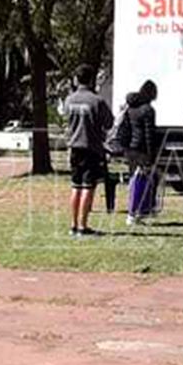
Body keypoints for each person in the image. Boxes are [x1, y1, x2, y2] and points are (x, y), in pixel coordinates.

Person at [64, 65, 113, 237]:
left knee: (75, 186)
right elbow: (109, 123)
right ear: (91, 79)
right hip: (91, 148)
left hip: (74, 148)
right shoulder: (96, 101)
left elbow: (67, 120)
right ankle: (83, 227)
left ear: (76, 79)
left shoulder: (69, 100)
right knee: (87, 187)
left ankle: (73, 225)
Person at [123, 80, 159, 226]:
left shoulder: (131, 108)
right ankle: (135, 212)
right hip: (142, 149)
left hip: (130, 149)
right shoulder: (148, 110)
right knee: (144, 181)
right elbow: (149, 134)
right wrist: (152, 154)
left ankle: (137, 211)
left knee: (135, 180)